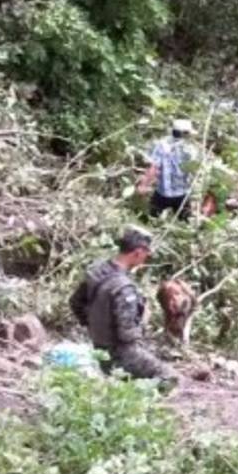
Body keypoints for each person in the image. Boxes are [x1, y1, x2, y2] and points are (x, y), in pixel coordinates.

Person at [68, 227, 176, 386]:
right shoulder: (124, 288)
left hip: (98, 347)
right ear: (138, 252)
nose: (145, 259)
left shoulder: (97, 271)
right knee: (170, 377)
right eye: (146, 254)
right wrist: (143, 321)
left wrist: (93, 324)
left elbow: (75, 303)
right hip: (119, 353)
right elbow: (127, 335)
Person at [138, 119, 196, 218]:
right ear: (185, 134)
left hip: (162, 193)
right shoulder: (190, 148)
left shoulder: (161, 144)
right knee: (185, 222)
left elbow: (154, 167)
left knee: (151, 220)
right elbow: (193, 170)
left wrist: (144, 185)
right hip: (182, 194)